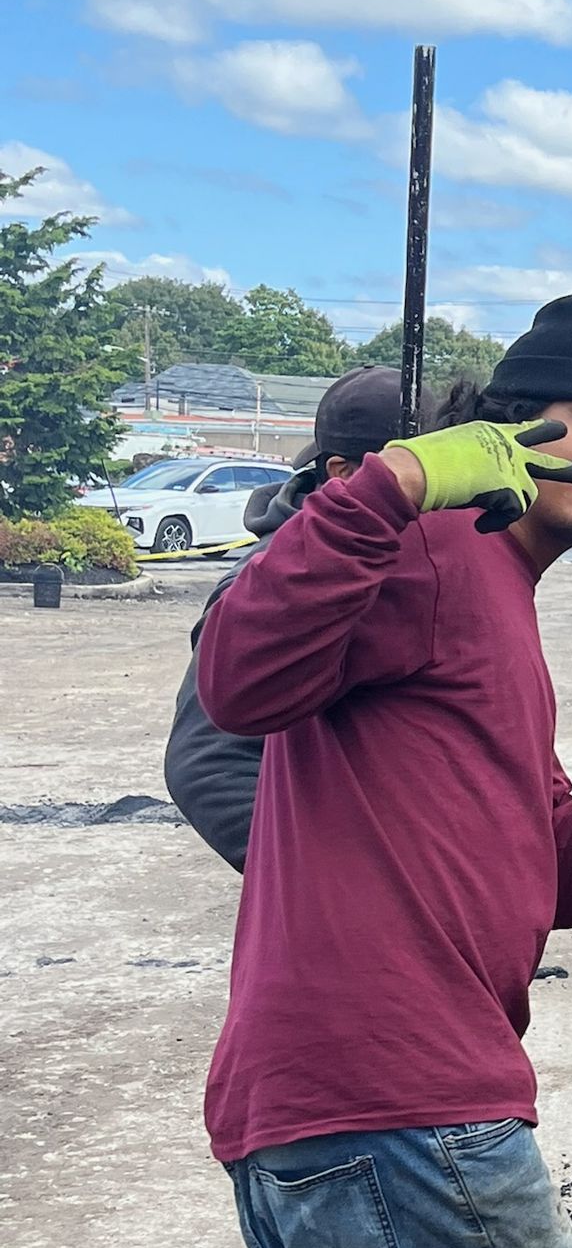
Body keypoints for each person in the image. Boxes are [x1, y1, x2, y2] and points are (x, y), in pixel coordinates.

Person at [195, 287, 572, 1248]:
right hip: (395, 1101)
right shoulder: (428, 548)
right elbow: (238, 683)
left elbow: (555, 880)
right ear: (506, 423)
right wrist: (395, 483)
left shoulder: (498, 595)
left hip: (326, 1120)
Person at [164, 365, 404, 872]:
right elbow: (208, 763)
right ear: (342, 473)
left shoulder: (414, 560)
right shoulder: (274, 579)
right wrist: (328, 883)